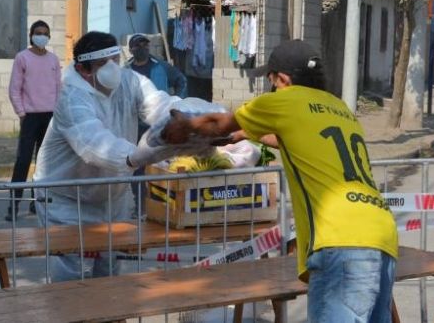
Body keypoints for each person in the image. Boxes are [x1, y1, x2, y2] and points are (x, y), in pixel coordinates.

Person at [162, 39, 398, 323]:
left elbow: (218, 124)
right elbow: (292, 138)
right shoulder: (339, 108)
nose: (272, 88)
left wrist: (185, 126)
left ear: (283, 79)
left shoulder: (283, 101)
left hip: (341, 240)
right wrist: (247, 134)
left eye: (272, 81)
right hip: (382, 234)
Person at [32, 31, 194, 282]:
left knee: (109, 272)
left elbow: (160, 105)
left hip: (111, 196)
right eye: (102, 64)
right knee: (69, 276)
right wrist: (137, 156)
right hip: (64, 200)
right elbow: (94, 144)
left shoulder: (130, 81)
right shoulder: (71, 97)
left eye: (115, 61)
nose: (112, 70)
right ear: (83, 69)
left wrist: (195, 121)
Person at [6, 20, 61, 221]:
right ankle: (13, 206)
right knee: (22, 161)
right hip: (30, 117)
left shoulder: (53, 60)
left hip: (50, 117)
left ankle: (35, 203)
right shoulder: (22, 58)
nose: (42, 36)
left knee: (44, 164)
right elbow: (14, 89)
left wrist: (58, 114)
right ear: (31, 35)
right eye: (38, 33)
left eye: (45, 33)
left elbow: (58, 89)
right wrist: (21, 113)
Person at [125, 33, 187, 212]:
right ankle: (140, 205)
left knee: (162, 163)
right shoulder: (126, 70)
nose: (143, 49)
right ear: (131, 50)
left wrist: (177, 102)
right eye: (138, 46)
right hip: (136, 126)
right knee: (138, 164)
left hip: (159, 124)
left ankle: (161, 204)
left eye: (145, 45)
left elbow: (181, 80)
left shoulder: (161, 66)